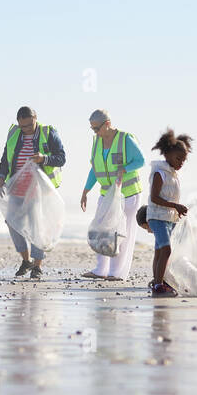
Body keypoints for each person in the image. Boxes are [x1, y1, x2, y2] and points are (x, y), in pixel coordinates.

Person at [0, 105, 65, 279]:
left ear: (36, 118)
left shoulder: (48, 133)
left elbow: (62, 158)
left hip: (39, 190)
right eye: (23, 126)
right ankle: (26, 260)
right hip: (17, 188)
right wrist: (1, 178)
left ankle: (37, 266)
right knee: (11, 221)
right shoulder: (14, 134)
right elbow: (5, 158)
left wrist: (44, 158)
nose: (26, 129)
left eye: (29, 125)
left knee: (37, 226)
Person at [80, 110, 144, 281]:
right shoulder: (97, 142)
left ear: (107, 124)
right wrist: (86, 190)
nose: (95, 132)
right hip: (106, 194)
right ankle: (101, 269)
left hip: (128, 195)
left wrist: (125, 169)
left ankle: (116, 273)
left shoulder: (125, 139)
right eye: (92, 129)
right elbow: (95, 169)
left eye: (96, 128)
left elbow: (141, 160)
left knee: (122, 234)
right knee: (101, 231)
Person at [137, 205, 197, 296]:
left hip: (192, 250)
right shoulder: (169, 218)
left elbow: (165, 255)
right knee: (186, 264)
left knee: (181, 266)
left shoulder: (163, 227)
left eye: (147, 227)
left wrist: (158, 279)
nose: (148, 231)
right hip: (196, 247)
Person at [146, 129, 192, 298]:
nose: (181, 163)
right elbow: (154, 197)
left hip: (168, 218)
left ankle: (159, 280)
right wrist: (175, 205)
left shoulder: (173, 174)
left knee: (159, 251)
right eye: (178, 158)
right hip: (157, 217)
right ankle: (158, 285)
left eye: (184, 160)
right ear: (167, 154)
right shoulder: (159, 172)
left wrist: (177, 210)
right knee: (166, 249)